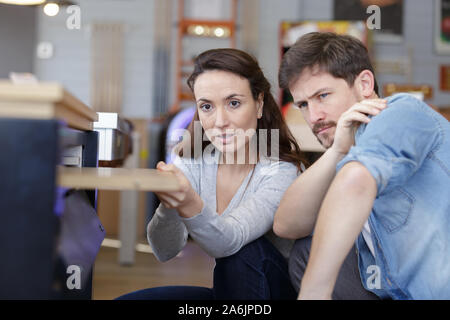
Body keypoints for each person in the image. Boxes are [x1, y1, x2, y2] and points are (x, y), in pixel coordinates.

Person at [117, 48, 307, 300]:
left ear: (259, 104)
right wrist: (169, 204)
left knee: (245, 250)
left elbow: (228, 242)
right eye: (207, 106)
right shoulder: (194, 162)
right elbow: (164, 250)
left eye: (234, 103)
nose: (220, 121)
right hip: (233, 294)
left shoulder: (281, 171)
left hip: (278, 294)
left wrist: (188, 202)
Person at [274, 32, 450, 300]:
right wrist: (337, 151)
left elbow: (356, 181)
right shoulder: (349, 146)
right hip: (392, 288)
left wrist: (312, 294)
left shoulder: (400, 112)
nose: (313, 116)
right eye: (303, 104)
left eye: (323, 96)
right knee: (305, 252)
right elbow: (287, 225)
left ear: (365, 84)